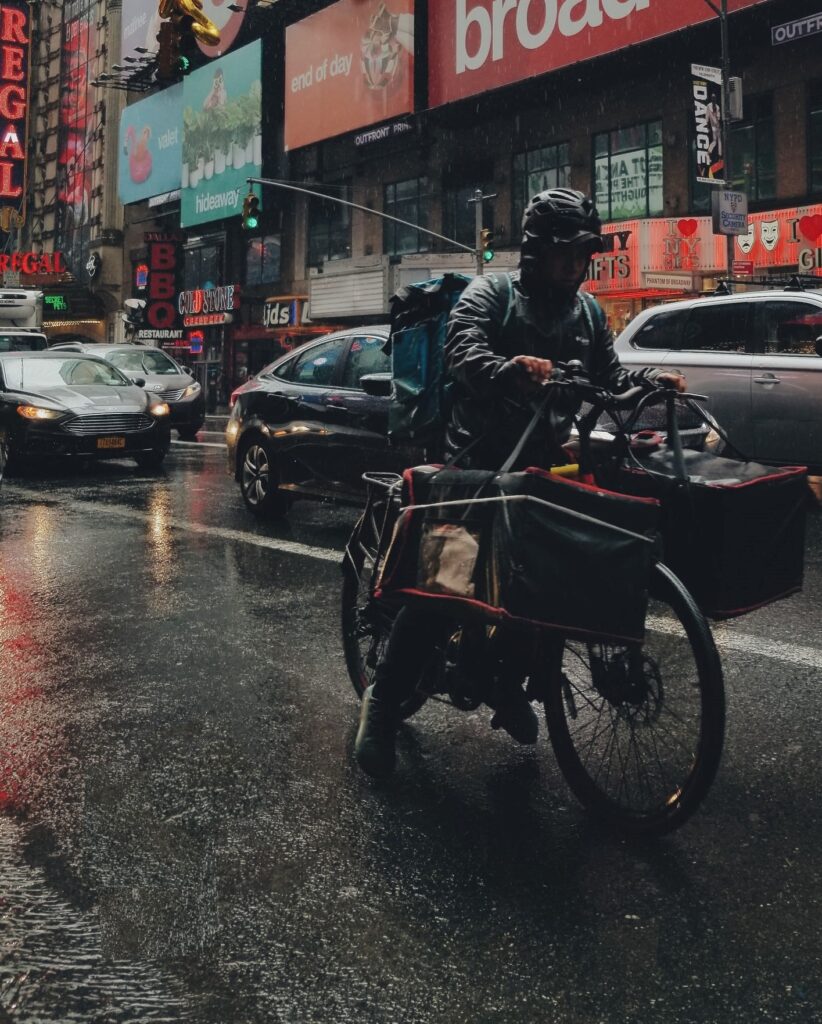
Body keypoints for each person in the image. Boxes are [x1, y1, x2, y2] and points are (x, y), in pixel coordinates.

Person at [354, 188, 686, 778]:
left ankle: (507, 686)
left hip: (537, 473)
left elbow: (610, 378)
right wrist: (508, 368)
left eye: (584, 252)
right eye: (567, 252)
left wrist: (649, 381)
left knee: (543, 583)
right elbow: (463, 354)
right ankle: (380, 706)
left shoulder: (585, 312)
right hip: (474, 469)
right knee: (442, 589)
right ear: (535, 252)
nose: (576, 264)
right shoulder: (491, 295)